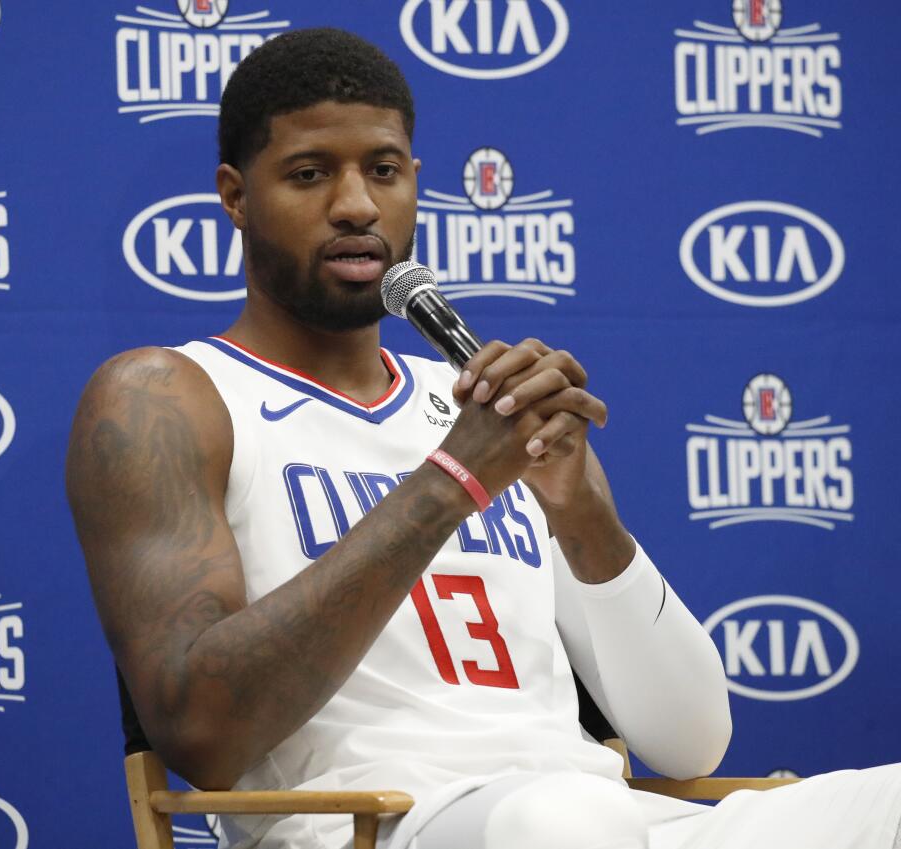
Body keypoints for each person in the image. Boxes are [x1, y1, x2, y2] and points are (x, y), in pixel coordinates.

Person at [67, 28, 901, 849]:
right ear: (235, 194)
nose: (357, 204)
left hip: (596, 815)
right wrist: (454, 480)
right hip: (376, 825)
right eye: (311, 173)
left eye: (383, 171)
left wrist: (581, 515)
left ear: (416, 184)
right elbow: (202, 732)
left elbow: (693, 745)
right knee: (568, 821)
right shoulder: (170, 395)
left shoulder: (478, 407)